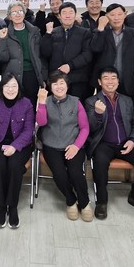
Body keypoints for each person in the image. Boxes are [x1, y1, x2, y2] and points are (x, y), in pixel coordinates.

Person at [85, 67, 134, 220]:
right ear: (99, 82)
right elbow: (90, 128)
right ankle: (101, 202)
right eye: (106, 78)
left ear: (118, 81)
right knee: (100, 162)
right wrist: (97, 114)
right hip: (103, 144)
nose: (110, 81)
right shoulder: (91, 101)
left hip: (125, 142)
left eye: (113, 78)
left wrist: (133, 140)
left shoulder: (127, 100)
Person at [36, 72, 92, 221]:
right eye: (55, 84)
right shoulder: (46, 101)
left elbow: (85, 128)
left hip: (73, 144)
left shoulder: (76, 102)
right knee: (59, 174)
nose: (59, 87)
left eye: (62, 83)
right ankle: (71, 200)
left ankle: (85, 203)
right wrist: (41, 103)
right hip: (51, 145)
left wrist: (76, 146)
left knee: (76, 173)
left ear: (67, 85)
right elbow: (41, 122)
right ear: (50, 87)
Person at [0, 74, 34, 229]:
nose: (10, 89)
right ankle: (1, 206)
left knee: (15, 166)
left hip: (20, 145)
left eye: (14, 86)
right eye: (7, 86)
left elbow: (29, 130)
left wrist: (15, 146)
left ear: (19, 88)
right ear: (2, 87)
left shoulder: (26, 104)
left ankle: (12, 206)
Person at [0, 1, 46, 106]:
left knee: (31, 106)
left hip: (32, 74)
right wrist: (2, 40)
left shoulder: (34, 31)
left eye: (20, 11)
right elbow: (1, 58)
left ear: (24, 13)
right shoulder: (4, 33)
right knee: (14, 106)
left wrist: (43, 77)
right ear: (9, 16)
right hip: (12, 75)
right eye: (14, 12)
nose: (17, 14)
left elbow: (41, 56)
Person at [90, 3, 134, 95]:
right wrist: (100, 28)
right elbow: (96, 48)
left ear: (125, 14)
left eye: (119, 14)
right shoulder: (101, 32)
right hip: (106, 81)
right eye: (112, 15)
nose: (116, 18)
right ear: (106, 16)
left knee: (127, 103)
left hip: (128, 80)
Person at [40, 1, 93, 100]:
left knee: (76, 106)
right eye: (64, 13)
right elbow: (45, 53)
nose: (67, 16)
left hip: (77, 79)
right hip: (56, 79)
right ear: (59, 16)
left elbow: (87, 55)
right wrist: (48, 34)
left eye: (71, 12)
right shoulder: (53, 32)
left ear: (75, 14)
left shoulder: (85, 33)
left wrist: (70, 65)